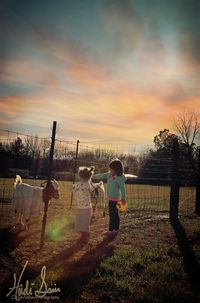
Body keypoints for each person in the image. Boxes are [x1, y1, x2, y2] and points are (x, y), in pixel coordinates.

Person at [92, 159, 126, 235]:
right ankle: (111, 230)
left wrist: (123, 199)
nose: (110, 170)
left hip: (117, 200)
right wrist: (92, 176)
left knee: (115, 215)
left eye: (112, 169)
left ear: (116, 169)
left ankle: (115, 230)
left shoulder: (120, 178)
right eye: (110, 169)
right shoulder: (109, 174)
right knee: (111, 214)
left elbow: (122, 189)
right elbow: (101, 175)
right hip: (110, 199)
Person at [72, 167, 94, 243]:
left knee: (80, 221)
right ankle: (85, 234)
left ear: (79, 176)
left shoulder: (76, 185)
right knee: (85, 222)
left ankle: (84, 236)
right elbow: (92, 191)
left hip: (79, 207)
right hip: (87, 207)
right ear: (89, 177)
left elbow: (73, 191)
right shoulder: (88, 185)